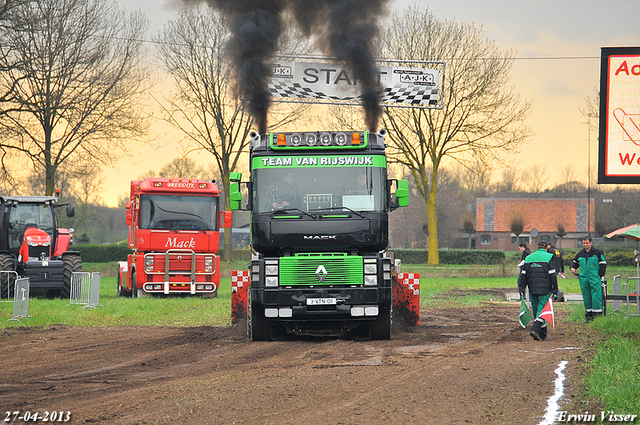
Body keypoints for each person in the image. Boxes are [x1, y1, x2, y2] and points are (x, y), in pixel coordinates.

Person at [518, 241, 559, 341]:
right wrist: (555, 288)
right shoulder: (549, 257)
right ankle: (536, 328)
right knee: (543, 310)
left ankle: (541, 335)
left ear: (537, 247)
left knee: (536, 310)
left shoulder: (529, 258)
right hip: (545, 288)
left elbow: (523, 274)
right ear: (546, 248)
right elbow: (552, 274)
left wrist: (521, 288)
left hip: (532, 288)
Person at [570, 236, 607, 323]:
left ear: (591, 242)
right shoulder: (580, 254)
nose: (585, 245)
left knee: (596, 297)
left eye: (587, 243)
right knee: (586, 297)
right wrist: (572, 268)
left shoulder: (598, 252)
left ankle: (597, 317)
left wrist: (599, 275)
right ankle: (589, 318)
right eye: (584, 243)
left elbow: (603, 264)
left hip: (594, 278)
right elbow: (574, 264)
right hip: (584, 279)